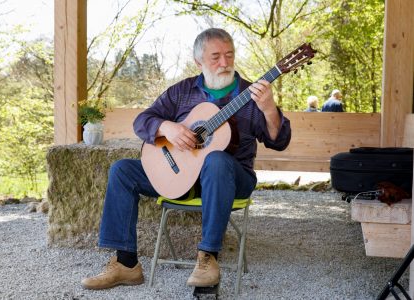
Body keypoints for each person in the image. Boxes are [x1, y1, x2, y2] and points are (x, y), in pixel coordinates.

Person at [81, 28, 291, 290]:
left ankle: (208, 258)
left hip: (231, 178)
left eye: (229, 55)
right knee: (122, 170)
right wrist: (166, 128)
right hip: (184, 176)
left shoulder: (253, 95)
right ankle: (126, 264)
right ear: (198, 62)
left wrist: (270, 109)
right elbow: (142, 121)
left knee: (215, 159)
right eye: (215, 57)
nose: (224, 63)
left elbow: (279, 141)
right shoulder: (182, 92)